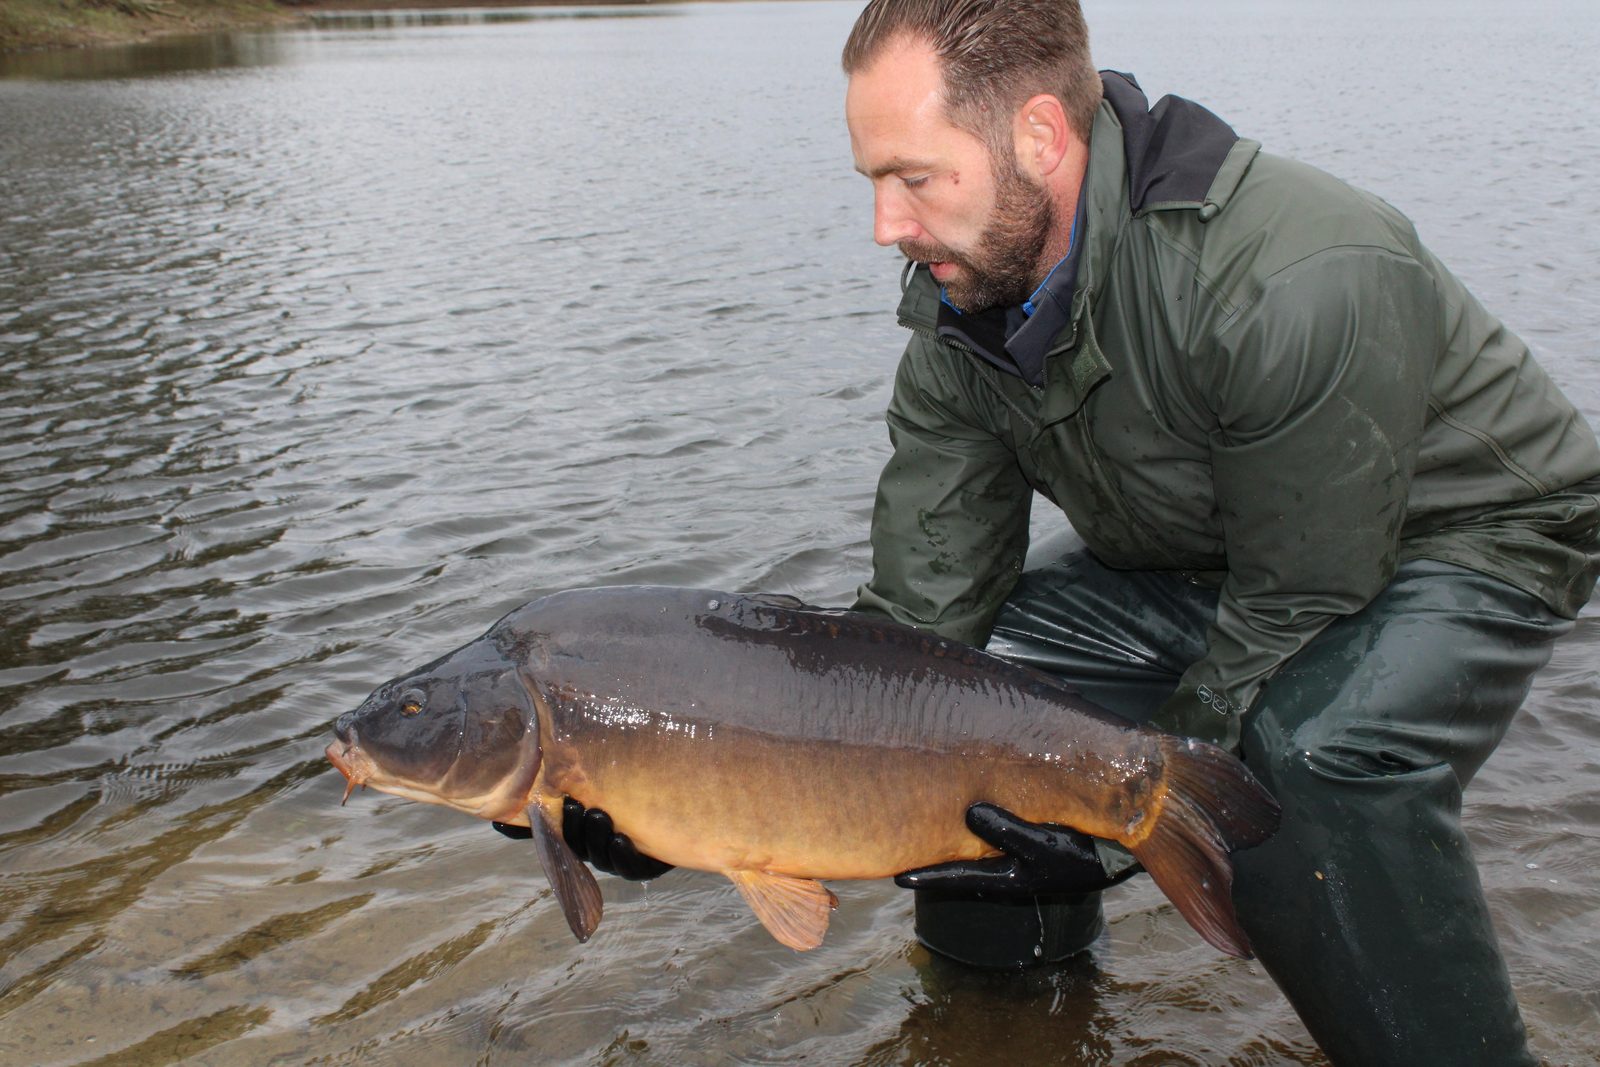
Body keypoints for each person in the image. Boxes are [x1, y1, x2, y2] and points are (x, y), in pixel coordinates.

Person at [513, 2, 1600, 1062]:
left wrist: (1113, 819)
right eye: (872, 182)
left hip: (1458, 537)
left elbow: (1302, 597)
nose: (883, 225)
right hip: (1201, 553)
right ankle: (1012, 1015)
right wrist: (671, 797)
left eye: (913, 178)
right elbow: (904, 631)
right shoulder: (959, 306)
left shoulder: (1291, 273)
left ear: (1038, 134)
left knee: (1312, 751)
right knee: (956, 694)